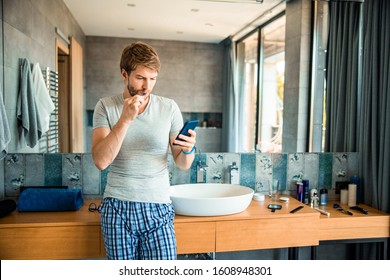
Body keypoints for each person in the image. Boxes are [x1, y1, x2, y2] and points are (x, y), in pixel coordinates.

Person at [91, 41, 196, 260]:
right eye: (140, 78)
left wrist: (188, 149)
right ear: (124, 73)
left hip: (159, 207)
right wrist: (125, 120)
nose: (147, 87)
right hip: (117, 208)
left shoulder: (169, 108)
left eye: (153, 79)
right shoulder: (105, 106)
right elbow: (101, 161)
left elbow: (182, 163)